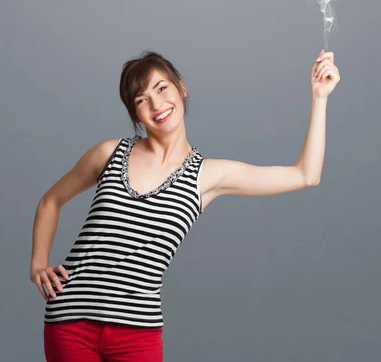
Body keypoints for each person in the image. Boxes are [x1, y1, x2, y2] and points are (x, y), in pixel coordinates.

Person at [30, 48, 340, 361]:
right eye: (141, 99)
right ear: (134, 113)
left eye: (162, 88)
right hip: (70, 322)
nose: (156, 104)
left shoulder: (206, 176)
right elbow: (50, 200)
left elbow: (305, 175)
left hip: (137, 332)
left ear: (181, 87)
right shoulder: (108, 154)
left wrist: (320, 97)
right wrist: (38, 265)